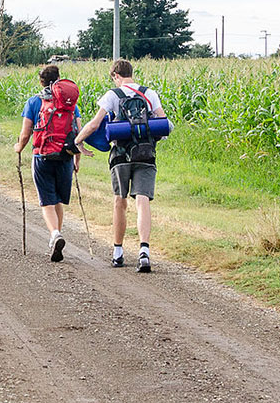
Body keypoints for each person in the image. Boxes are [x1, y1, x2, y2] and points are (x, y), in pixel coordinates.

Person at [75, 59, 166, 273]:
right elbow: (163, 123)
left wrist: (78, 141)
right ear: (131, 73)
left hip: (120, 156)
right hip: (146, 154)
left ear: (116, 75)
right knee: (142, 201)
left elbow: (95, 124)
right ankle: (144, 251)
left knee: (120, 201)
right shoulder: (149, 93)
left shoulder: (113, 96)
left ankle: (118, 252)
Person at [13, 65, 82, 262]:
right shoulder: (70, 103)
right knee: (58, 199)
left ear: (41, 81)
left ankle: (54, 235)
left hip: (42, 156)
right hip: (65, 156)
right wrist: (77, 158)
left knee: (47, 202)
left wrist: (19, 147)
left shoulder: (34, 102)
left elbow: (26, 133)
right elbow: (78, 132)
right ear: (59, 79)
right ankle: (57, 236)